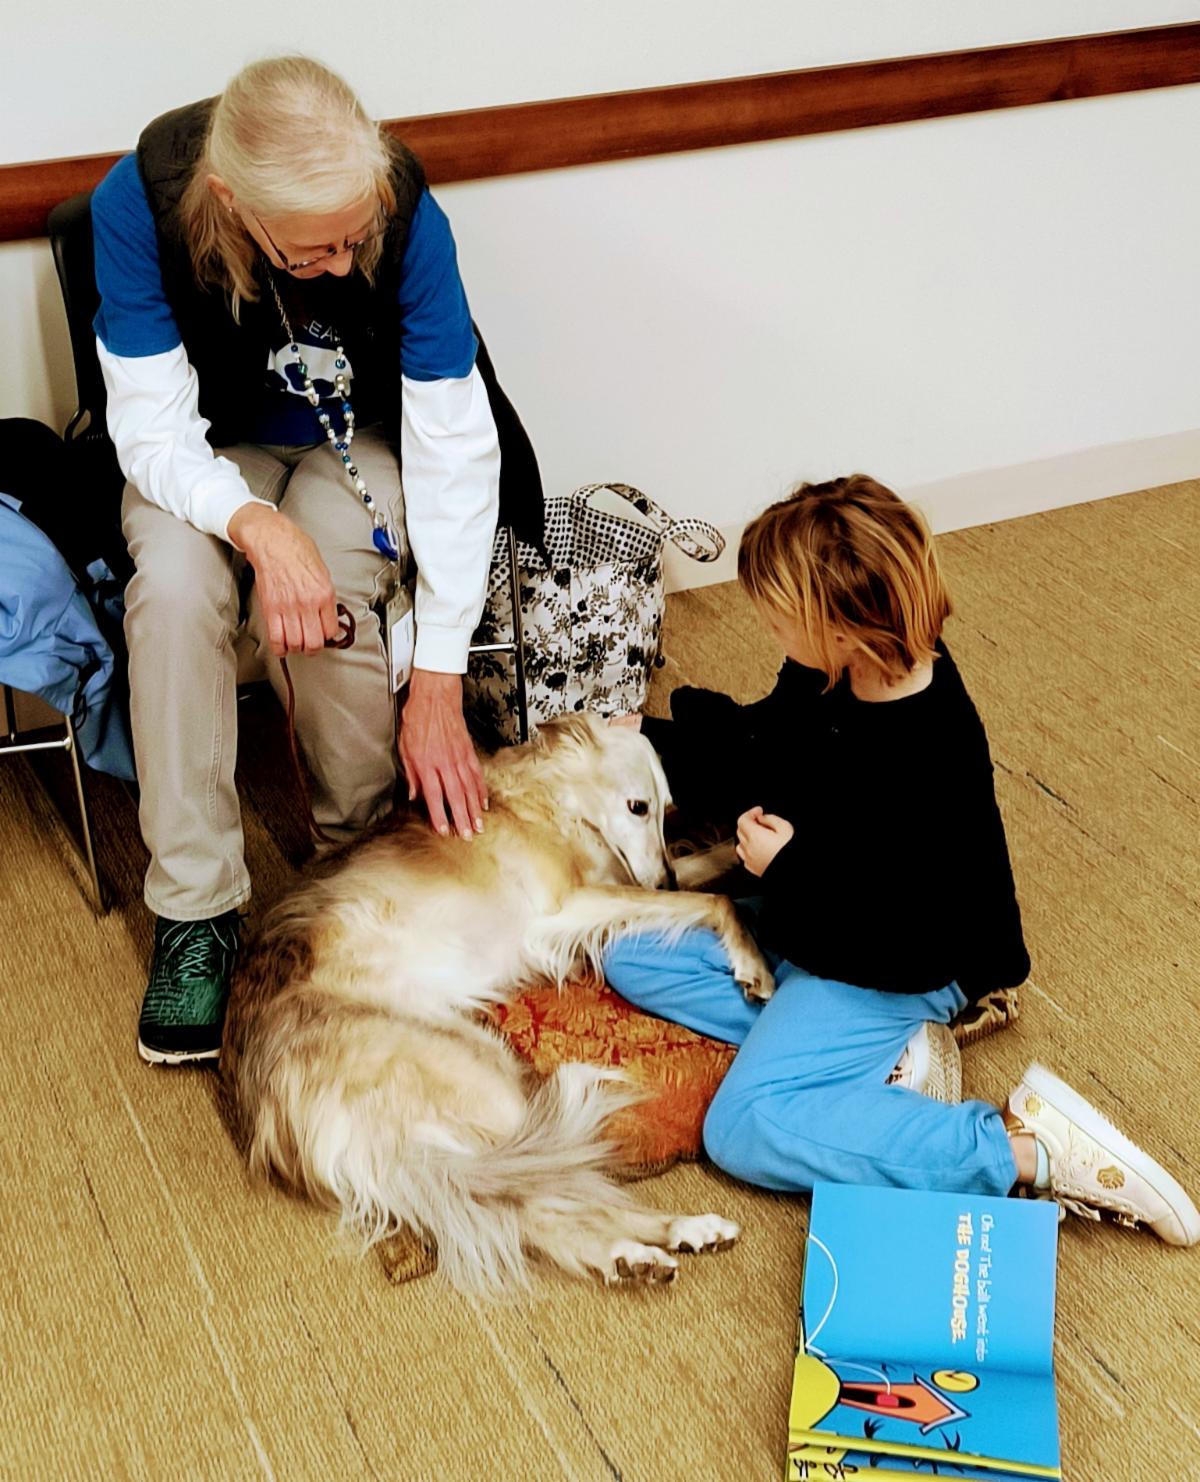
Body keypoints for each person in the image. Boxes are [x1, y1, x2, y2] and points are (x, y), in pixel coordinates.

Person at [605, 476, 1199, 1246]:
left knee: (743, 1127)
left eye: (778, 617)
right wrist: (648, 739)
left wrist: (788, 870)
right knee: (627, 950)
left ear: (840, 627)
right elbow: (766, 746)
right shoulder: (832, 670)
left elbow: (902, 927)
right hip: (818, 925)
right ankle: (884, 1064)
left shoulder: (928, 749)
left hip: (903, 961)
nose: (767, 627)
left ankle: (1026, 1149)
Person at [93, 57, 536, 1065]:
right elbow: (152, 433)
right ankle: (196, 912)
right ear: (232, 204)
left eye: (355, 237)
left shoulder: (404, 209)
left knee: (331, 574)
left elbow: (454, 447)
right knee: (172, 589)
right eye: (314, 249)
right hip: (204, 452)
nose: (342, 264)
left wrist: (439, 682)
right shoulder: (140, 202)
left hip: (360, 438)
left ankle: (361, 859)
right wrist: (254, 526)